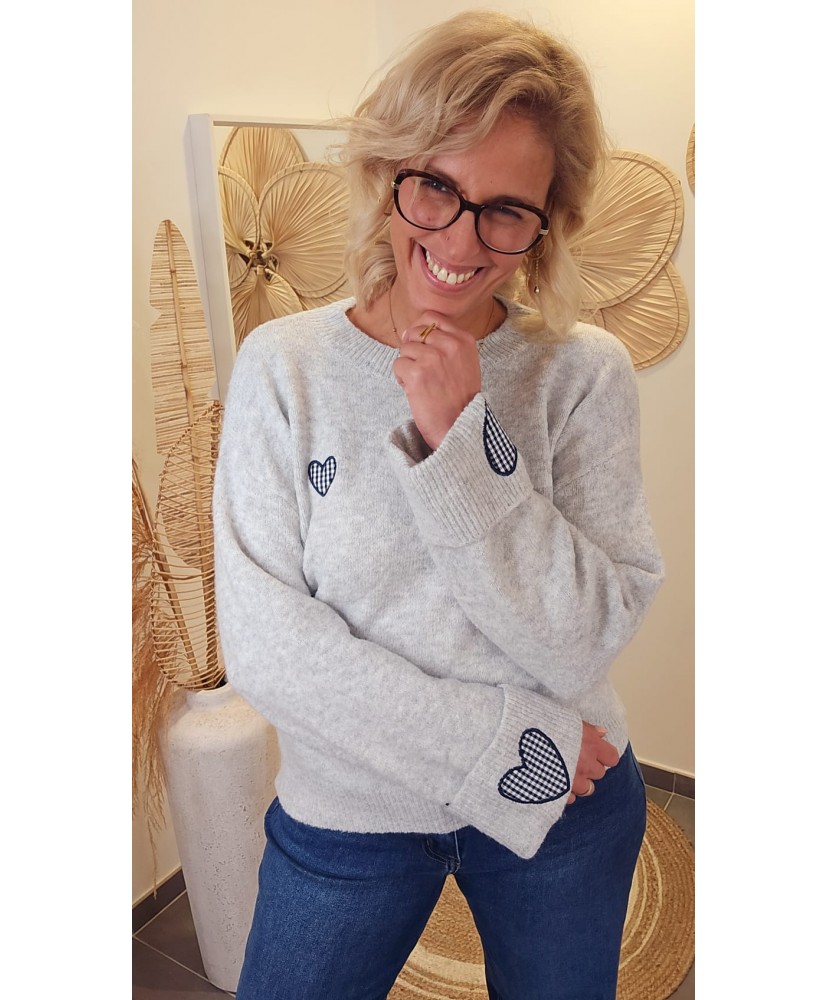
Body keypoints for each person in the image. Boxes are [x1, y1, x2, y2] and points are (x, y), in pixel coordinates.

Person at [213, 9, 664, 999]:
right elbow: (268, 647)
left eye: (506, 209)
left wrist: (462, 439)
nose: (461, 239)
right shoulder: (283, 366)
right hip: (363, 811)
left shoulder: (581, 373)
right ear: (387, 173)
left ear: (547, 222)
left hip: (569, 812)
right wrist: (508, 751)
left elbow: (582, 637)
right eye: (436, 188)